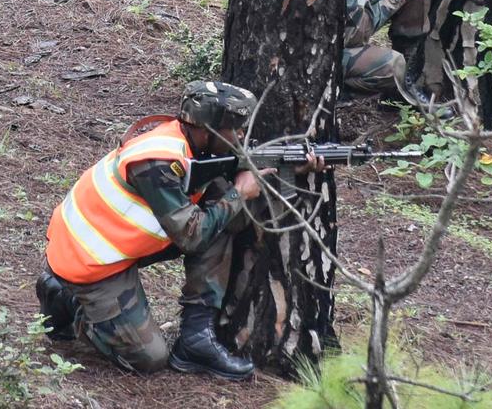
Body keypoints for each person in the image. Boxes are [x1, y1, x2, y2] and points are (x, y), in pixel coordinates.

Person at [35, 81, 321, 379]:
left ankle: (196, 338)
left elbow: (233, 222)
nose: (241, 137)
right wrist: (238, 194)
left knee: (223, 217)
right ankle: (64, 298)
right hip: (89, 261)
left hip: (120, 243)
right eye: (235, 129)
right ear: (207, 130)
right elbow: (193, 237)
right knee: (149, 359)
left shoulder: (192, 144)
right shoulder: (157, 161)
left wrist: (288, 168)